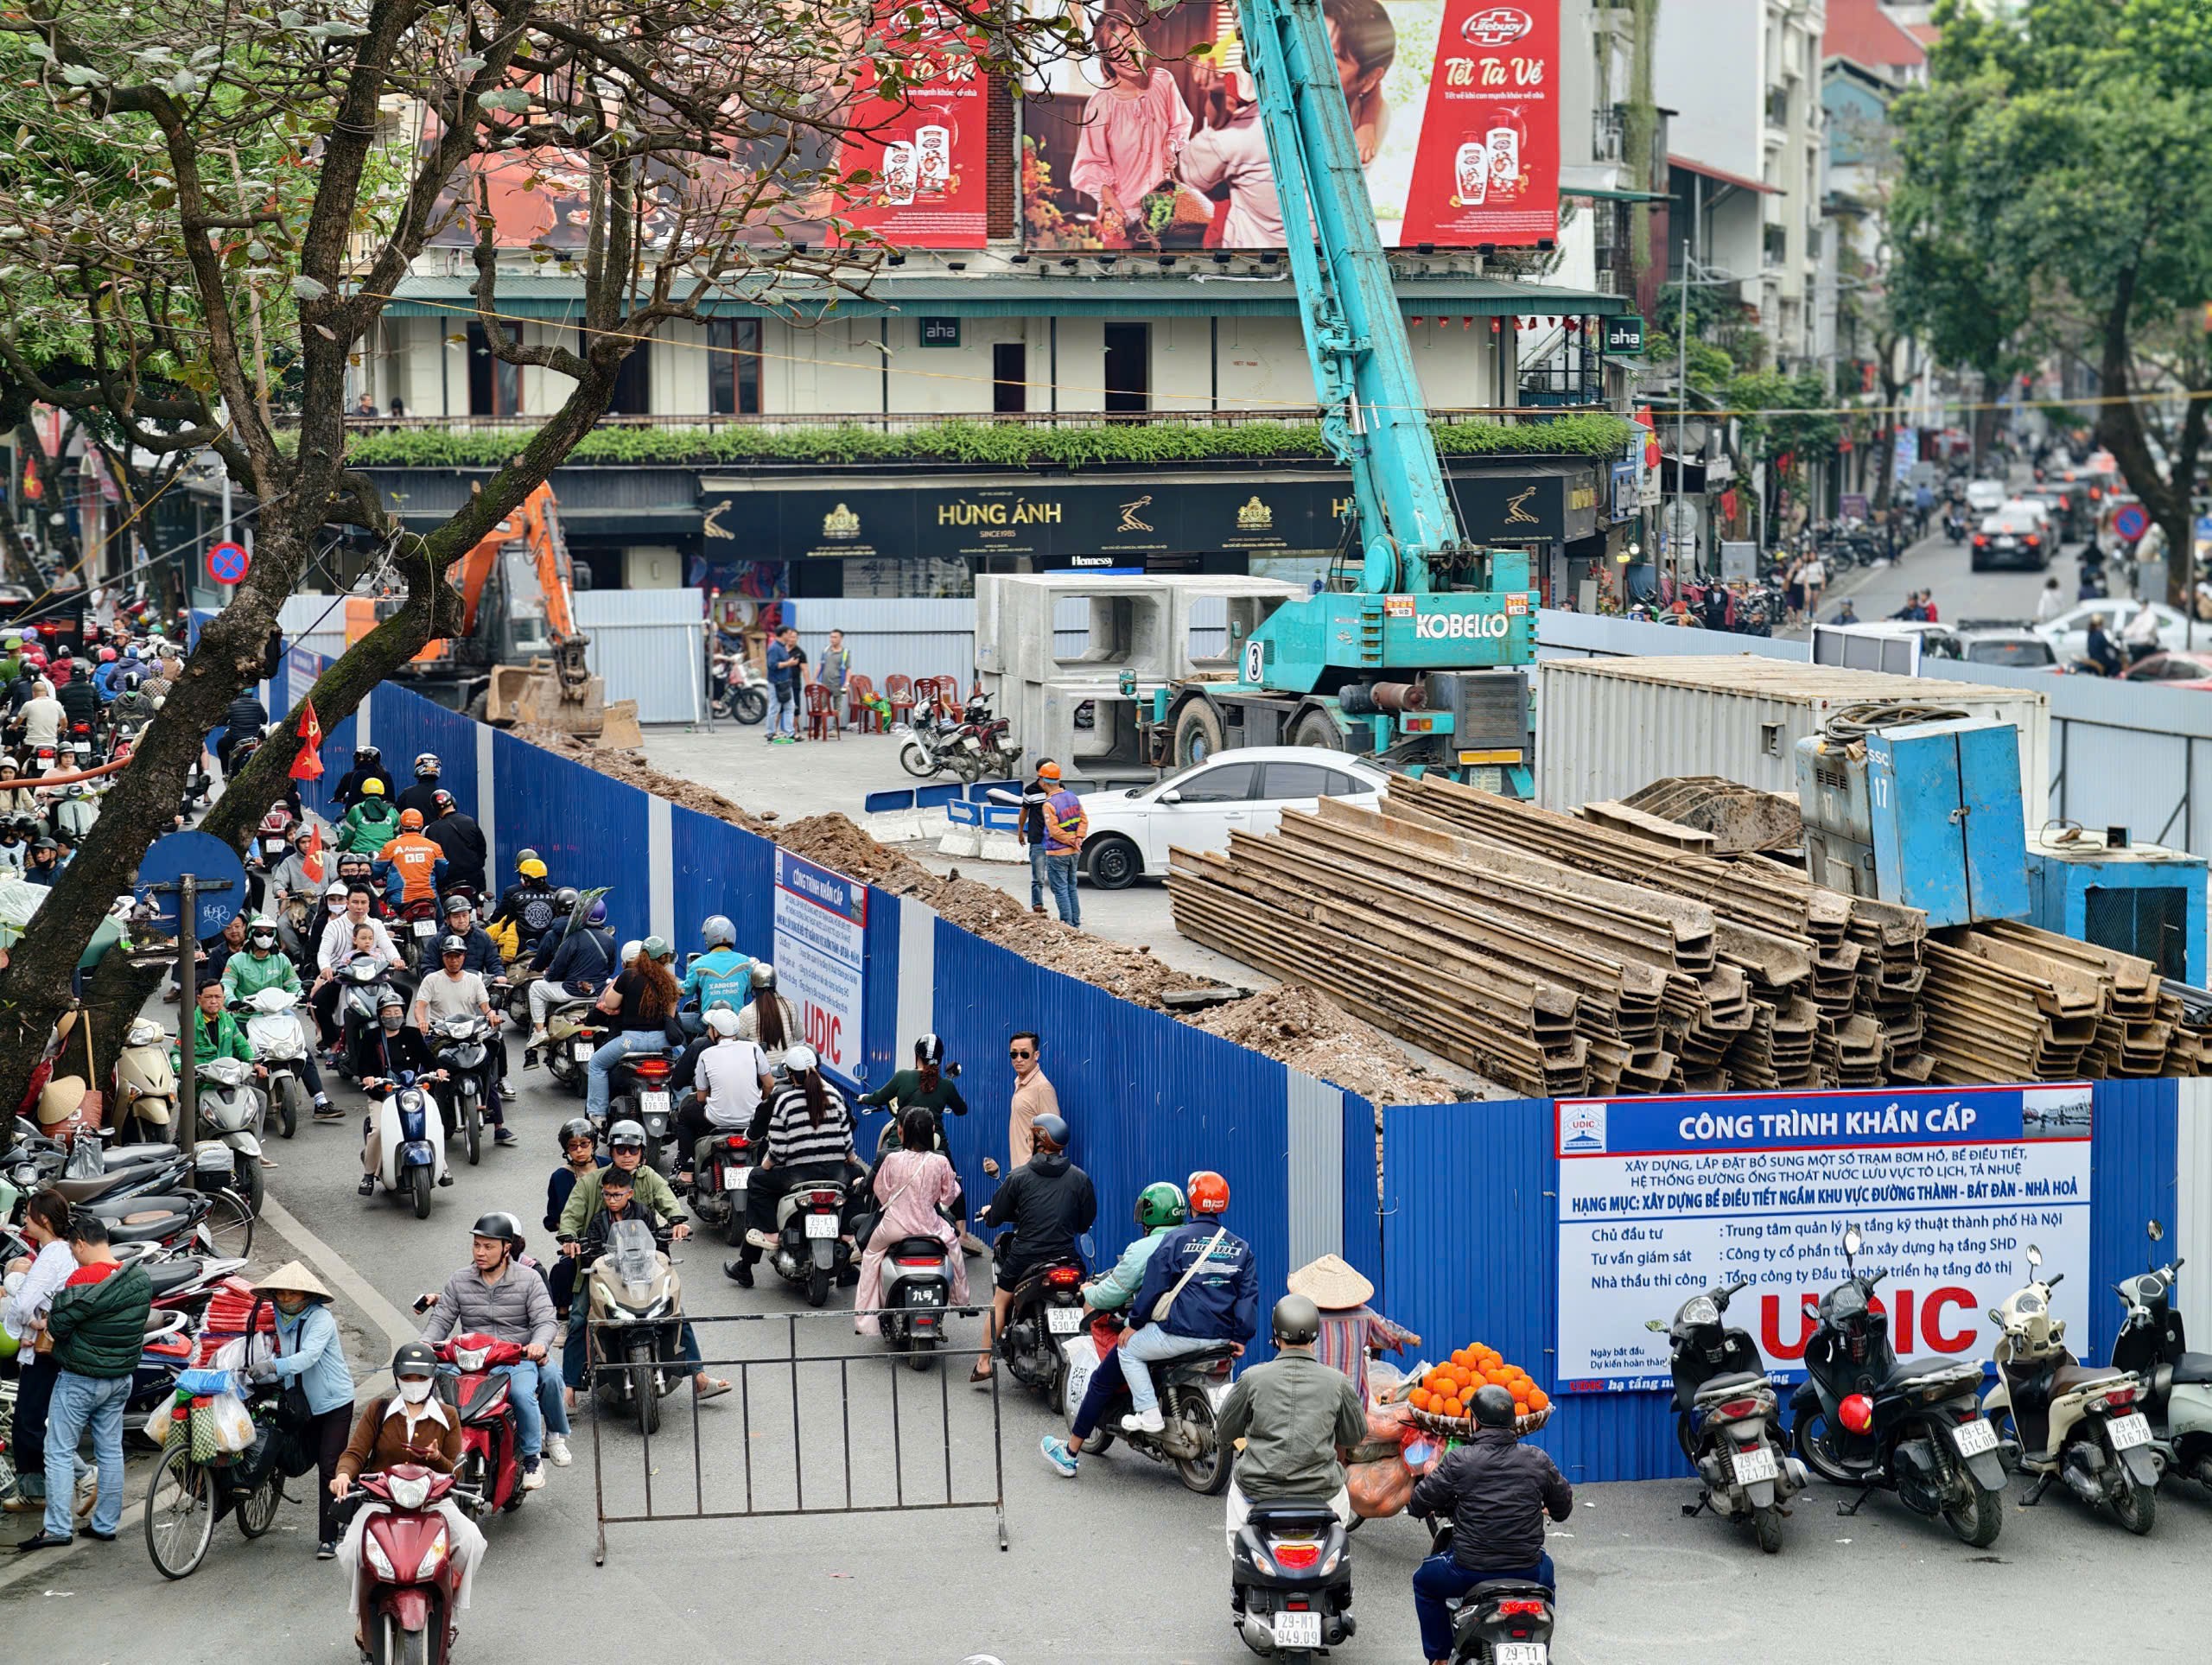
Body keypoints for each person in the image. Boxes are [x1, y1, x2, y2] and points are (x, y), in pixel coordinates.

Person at [330, 1344, 486, 1647]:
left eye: (421, 1377)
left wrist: (439, 1457)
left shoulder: (448, 1416)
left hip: (433, 1503)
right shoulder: (378, 1410)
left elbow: (456, 1470)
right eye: (408, 1376)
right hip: (382, 1502)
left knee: (471, 1541)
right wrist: (343, 1475)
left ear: (432, 1379)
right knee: (350, 1550)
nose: (415, 1383)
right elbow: (355, 1453)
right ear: (398, 1378)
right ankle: (364, 1618)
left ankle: (449, 1615)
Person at [1408, 1383, 1574, 1665]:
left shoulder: (1459, 1460)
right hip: (1530, 1570)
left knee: (1423, 1582)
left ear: (1474, 1421)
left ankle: (1439, 1658)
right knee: (1548, 1575)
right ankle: (1539, 1648)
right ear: (1513, 1422)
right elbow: (1563, 1507)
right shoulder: (1537, 1459)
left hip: (1468, 1570)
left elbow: (1418, 1503)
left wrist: (1427, 1497)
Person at [16, 1213, 150, 1552]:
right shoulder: (136, 1278)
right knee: (109, 1450)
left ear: (80, 1243)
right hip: (120, 1379)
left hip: (80, 1379)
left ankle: (58, 1528)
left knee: (58, 1451)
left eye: (74, 1249)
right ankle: (105, 1525)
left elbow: (59, 1327)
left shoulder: (81, 1279)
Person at [1039, 1180, 1186, 1478]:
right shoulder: (1194, 1241)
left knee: (1102, 1380)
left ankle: (1069, 1453)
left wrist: (1089, 1293)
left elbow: (1113, 1293)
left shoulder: (1143, 1248)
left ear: (1150, 1214)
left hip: (1157, 1330)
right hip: (1195, 1328)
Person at [1217, 1294, 1367, 1560]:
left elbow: (1225, 1432)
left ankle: (1242, 1572)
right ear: (1315, 1336)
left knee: (1237, 1534)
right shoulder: (1337, 1382)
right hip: (1322, 1490)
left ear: (1275, 1336)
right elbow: (1354, 1435)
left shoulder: (1251, 1378)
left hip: (1257, 1488)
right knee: (1340, 1511)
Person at [559, 1159, 727, 1398]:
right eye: (608, 1195)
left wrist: (677, 1224)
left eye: (618, 1195)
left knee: (676, 1312)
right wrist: (571, 1240)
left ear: (630, 1193)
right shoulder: (593, 1201)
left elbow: (660, 1230)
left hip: (643, 1275)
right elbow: (574, 1223)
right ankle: (569, 1391)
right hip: (608, 1279)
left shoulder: (644, 1205)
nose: (612, 1199)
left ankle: (698, 1377)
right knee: (579, 1319)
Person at [418, 1216, 564, 1483]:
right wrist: (425, 1344)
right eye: (476, 1246)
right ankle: (421, 1452)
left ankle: (532, 1460)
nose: (480, 1253)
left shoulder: (530, 1279)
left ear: (506, 1248)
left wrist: (537, 1345)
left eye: (488, 1246)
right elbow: (441, 1319)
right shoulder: (459, 1280)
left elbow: (545, 1320)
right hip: (470, 1359)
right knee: (424, 1384)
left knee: (522, 1394)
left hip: (513, 1359)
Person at [1116, 1170, 1255, 1433]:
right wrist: (1241, 1337)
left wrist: (1133, 1324)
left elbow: (1153, 1287)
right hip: (1222, 1340)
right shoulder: (1241, 1247)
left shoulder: (1175, 1240)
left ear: (1191, 1204)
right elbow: (1247, 1296)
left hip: (1180, 1334)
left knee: (1127, 1349)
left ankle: (1149, 1413)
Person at [969, 1112, 1095, 1384]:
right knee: (1087, 1294)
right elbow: (1085, 1222)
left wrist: (989, 1214)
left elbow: (997, 1215)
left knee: (1000, 1301)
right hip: (1066, 1257)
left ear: (1038, 1139)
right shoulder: (1080, 1178)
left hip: (1026, 1255)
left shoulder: (1019, 1177)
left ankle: (983, 1364)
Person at [250, 1261, 357, 1557]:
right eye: (281, 1295)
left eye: (292, 1295)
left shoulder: (321, 1320)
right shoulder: (278, 1317)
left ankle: (329, 1537)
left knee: (329, 1468)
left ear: (307, 1297)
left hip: (334, 1402)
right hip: (302, 1403)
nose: (286, 1300)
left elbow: (308, 1357)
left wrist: (273, 1366)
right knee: (291, 1456)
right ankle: (355, 1493)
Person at [733, 1044, 862, 1280]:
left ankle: (770, 1235)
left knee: (756, 1179)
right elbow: (847, 1144)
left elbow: (778, 1151)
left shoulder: (785, 1101)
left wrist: (766, 1166)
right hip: (836, 1174)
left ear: (791, 1074)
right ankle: (847, 1234)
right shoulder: (835, 1096)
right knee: (861, 1179)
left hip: (797, 1176)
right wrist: (852, 1164)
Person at [1069, 11, 1191, 249]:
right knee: (1120, 278)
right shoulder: (1100, 103)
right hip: (1121, 214)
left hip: (1162, 209)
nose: (1127, 55)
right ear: (1107, 59)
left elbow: (1180, 124)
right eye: (1115, 51)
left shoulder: (1163, 81)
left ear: (1141, 43)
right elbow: (1090, 164)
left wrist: (1170, 146)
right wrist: (1110, 203)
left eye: (1130, 44)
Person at [853, 1107, 970, 1337]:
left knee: (870, 1256)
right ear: (932, 1132)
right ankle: (961, 1299)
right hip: (931, 1226)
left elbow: (881, 1193)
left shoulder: (891, 1159)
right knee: (954, 1249)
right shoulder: (941, 1161)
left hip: (893, 1226)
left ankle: (867, 1320)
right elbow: (948, 1197)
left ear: (902, 1132)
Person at [0, 1193, 79, 1518]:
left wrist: (23, 1326)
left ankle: (80, 1479)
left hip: (44, 1349)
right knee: (36, 1420)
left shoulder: (51, 1256)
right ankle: (38, 1491)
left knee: (29, 1422)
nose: (25, 1221)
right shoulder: (65, 1252)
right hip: (55, 1344)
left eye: (29, 1215)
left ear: (43, 1220)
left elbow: (22, 1303)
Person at [222, 914, 335, 1117]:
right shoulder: (236, 961)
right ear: (250, 935)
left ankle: (320, 1101)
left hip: (278, 1015)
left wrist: (302, 994)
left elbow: (293, 983)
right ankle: (235, 1104)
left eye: (269, 933)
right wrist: (231, 1001)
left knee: (301, 1050)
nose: (264, 937)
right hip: (246, 1018)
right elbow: (227, 985)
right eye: (259, 933)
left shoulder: (281, 959)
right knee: (234, 1055)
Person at [415, 934, 513, 1146]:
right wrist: (422, 1021)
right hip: (440, 1035)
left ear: (464, 957)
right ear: (443, 957)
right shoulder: (432, 980)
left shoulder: (473, 980)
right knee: (424, 1076)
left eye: (458, 956)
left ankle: (499, 1126)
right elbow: (420, 1006)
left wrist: (492, 1016)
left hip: (470, 1035)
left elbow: (485, 1007)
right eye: (449, 956)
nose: (453, 960)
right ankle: (422, 1122)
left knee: (487, 1070)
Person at [1287, 1253, 1418, 1402]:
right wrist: (1408, 1338)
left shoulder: (1304, 1315)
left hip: (1314, 1403)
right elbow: (1388, 1330)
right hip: (1351, 1405)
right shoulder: (1364, 1315)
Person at [355, 993, 450, 1196]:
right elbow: (362, 1065)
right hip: (383, 1092)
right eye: (388, 1012)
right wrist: (368, 1077)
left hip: (412, 1092)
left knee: (432, 1125)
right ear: (380, 1016)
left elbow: (427, 1057)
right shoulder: (372, 1037)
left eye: (397, 1011)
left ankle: (442, 1166)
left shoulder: (412, 1034)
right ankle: (369, 1174)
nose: (393, 1016)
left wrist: (439, 1070)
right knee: (379, 1130)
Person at [586, 932, 678, 1125]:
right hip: (662, 1042)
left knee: (596, 1064)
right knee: (685, 1067)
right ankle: (680, 1108)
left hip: (629, 1042)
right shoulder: (670, 981)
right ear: (665, 958)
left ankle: (598, 1114)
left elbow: (610, 1003)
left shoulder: (628, 976)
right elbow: (671, 1016)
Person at [672, 1005, 772, 1185]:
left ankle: (687, 1170)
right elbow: (769, 1084)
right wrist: (761, 1103)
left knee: (685, 1116)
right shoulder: (754, 1049)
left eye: (710, 1028)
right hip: (751, 1119)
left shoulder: (706, 1054)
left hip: (716, 1119)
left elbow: (701, 1098)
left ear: (715, 1031)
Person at [525, 896, 613, 1055]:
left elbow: (558, 967)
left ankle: (539, 1031)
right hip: (598, 991)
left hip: (570, 991)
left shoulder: (573, 937)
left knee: (535, 988)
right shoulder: (610, 939)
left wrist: (549, 978)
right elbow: (611, 969)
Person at [988, 1030, 1059, 1177]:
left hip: (1034, 1179)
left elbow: (1053, 1141)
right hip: (1020, 1175)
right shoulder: (1020, 1083)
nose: (1018, 1059)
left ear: (1036, 1055)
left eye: (1024, 1054)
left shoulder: (1042, 1088)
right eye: (1014, 1054)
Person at [677, 914, 753, 1026]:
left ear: (708, 937)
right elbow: (748, 989)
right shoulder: (746, 962)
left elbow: (687, 990)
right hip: (736, 1022)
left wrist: (673, 983)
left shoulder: (698, 964)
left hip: (707, 1023)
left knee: (675, 1021)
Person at [489, 850, 559, 956]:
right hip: (550, 948)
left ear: (525, 877)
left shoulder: (513, 894)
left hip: (522, 949)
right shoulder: (556, 893)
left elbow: (506, 922)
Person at [1040, 762, 1085, 926]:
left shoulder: (1049, 804)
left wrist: (1071, 840)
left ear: (1043, 781)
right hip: (1074, 852)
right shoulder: (1072, 797)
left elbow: (1054, 831)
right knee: (1071, 887)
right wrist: (1078, 838)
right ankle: (1076, 922)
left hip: (1057, 853)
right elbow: (1083, 820)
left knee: (1060, 889)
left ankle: (1067, 923)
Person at [375, 807, 445, 912]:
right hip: (430, 898)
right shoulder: (434, 846)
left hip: (399, 901)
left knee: (389, 924)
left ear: (401, 825)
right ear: (421, 826)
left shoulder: (391, 846)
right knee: (440, 925)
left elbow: (377, 872)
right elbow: (442, 870)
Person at [734, 961, 798, 1071]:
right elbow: (800, 1035)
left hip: (761, 1071)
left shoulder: (746, 1012)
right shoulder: (790, 1006)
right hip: (789, 1067)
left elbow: (737, 1041)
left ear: (753, 985)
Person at [424, 790, 487, 897]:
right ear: (453, 802)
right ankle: (478, 908)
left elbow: (431, 859)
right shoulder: (470, 821)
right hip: (472, 879)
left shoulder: (432, 829)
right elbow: (482, 849)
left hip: (446, 883)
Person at [1017, 759, 1058, 916]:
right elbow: (1024, 811)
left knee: (1058, 878)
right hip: (1038, 839)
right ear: (1040, 774)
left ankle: (1063, 906)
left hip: (1056, 840)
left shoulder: (1059, 788)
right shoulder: (1031, 791)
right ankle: (1037, 906)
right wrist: (1020, 831)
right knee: (1038, 877)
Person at [765, 624, 805, 744]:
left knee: (790, 707)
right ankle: (771, 733)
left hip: (786, 683)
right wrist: (789, 664)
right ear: (783, 634)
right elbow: (772, 665)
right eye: (788, 634)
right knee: (774, 708)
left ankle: (790, 732)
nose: (790, 636)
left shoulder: (782, 647)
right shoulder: (774, 648)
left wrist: (788, 663)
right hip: (776, 683)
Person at [214, 686, 268, 775]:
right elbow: (264, 720)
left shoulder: (232, 704)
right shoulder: (257, 703)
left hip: (236, 739)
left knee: (221, 745)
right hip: (254, 739)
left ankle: (226, 772)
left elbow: (220, 721)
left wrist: (224, 722)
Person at [341, 779, 401, 855]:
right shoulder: (392, 811)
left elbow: (347, 835)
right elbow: (399, 834)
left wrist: (341, 847)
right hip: (385, 854)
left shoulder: (356, 810)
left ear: (363, 791)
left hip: (360, 853)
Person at [332, 744, 394, 810]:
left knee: (339, 819)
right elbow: (391, 799)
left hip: (361, 812)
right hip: (383, 813)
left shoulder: (358, 775)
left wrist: (348, 810)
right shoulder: (386, 775)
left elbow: (352, 798)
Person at [397, 752, 443, 823]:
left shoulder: (407, 794)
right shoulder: (443, 796)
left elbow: (396, 816)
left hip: (413, 833)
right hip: (436, 834)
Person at [817, 627, 852, 707]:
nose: (832, 639)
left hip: (838, 684)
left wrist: (846, 683)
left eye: (835, 637)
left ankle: (837, 720)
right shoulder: (826, 650)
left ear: (841, 638)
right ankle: (822, 720)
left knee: (838, 708)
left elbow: (848, 669)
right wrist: (814, 680)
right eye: (831, 637)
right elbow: (820, 665)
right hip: (825, 684)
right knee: (821, 707)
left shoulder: (845, 652)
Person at [2085, 613, 2123, 677]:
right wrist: (2117, 650)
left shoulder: (2091, 633)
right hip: (2100, 659)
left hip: (2093, 657)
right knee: (2117, 664)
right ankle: (2111, 678)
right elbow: (2107, 645)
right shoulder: (2099, 634)